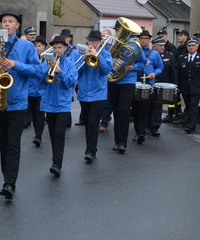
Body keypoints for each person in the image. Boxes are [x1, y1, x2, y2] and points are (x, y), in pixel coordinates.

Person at [0, 9, 40, 200]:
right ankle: (6, 177)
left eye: (10, 21)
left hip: (18, 101)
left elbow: (37, 71)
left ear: (17, 25)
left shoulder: (27, 46)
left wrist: (16, 65)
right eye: (4, 21)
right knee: (3, 142)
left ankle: (9, 183)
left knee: (13, 142)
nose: (6, 24)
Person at [39, 36, 78, 176]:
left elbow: (70, 83)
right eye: (54, 48)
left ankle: (57, 164)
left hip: (62, 104)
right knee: (51, 134)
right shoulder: (46, 62)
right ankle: (55, 160)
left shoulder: (70, 64)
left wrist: (59, 71)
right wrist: (47, 69)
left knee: (59, 134)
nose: (57, 50)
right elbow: (40, 81)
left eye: (59, 48)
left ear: (65, 49)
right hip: (49, 103)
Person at [106, 23, 146, 153]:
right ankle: (117, 141)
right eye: (117, 30)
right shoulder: (111, 43)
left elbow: (142, 62)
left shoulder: (134, 46)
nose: (118, 32)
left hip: (127, 82)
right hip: (113, 81)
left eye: (119, 30)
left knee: (124, 111)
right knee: (116, 111)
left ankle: (123, 142)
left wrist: (133, 67)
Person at [76, 31, 112, 163]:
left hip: (98, 94)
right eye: (89, 41)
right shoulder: (81, 54)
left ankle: (90, 150)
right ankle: (91, 148)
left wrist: (97, 57)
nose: (90, 43)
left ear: (100, 42)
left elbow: (106, 71)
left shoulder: (106, 54)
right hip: (84, 94)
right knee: (87, 122)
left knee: (93, 122)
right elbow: (76, 72)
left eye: (93, 41)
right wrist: (85, 60)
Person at [131, 30, 163, 144]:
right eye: (142, 38)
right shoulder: (135, 52)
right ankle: (137, 130)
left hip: (148, 84)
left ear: (149, 40)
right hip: (135, 83)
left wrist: (154, 73)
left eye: (146, 38)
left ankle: (141, 133)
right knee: (135, 109)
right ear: (139, 40)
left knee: (145, 109)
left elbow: (160, 67)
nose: (144, 40)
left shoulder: (154, 54)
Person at [176, 38, 200, 133]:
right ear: (187, 47)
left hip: (197, 86)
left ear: (197, 46)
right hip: (185, 86)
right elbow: (178, 74)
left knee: (193, 105)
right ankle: (189, 122)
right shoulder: (182, 58)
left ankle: (190, 126)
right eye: (189, 46)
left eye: (193, 46)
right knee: (188, 105)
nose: (191, 47)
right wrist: (178, 86)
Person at [150, 37, 176, 133]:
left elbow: (173, 71)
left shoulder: (169, 56)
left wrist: (174, 85)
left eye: (163, 46)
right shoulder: (149, 55)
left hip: (162, 86)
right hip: (150, 84)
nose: (162, 47)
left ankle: (155, 127)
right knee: (148, 106)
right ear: (154, 46)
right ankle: (146, 125)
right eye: (160, 45)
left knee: (158, 107)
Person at [27, 37, 48, 146]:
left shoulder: (46, 57)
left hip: (41, 90)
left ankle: (38, 136)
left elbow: (42, 71)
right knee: (33, 115)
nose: (36, 48)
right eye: (35, 46)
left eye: (39, 46)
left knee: (39, 114)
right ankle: (37, 134)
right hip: (30, 89)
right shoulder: (31, 56)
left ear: (44, 46)